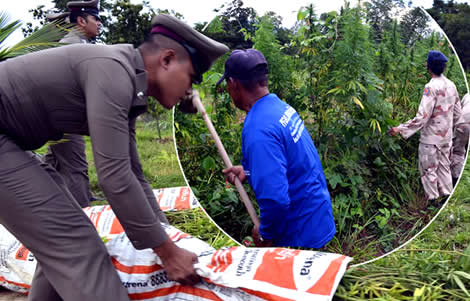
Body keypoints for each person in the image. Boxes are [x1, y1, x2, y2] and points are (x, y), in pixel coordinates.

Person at [0, 14, 228, 301]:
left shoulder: (128, 82)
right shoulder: (113, 71)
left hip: (11, 143)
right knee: (75, 243)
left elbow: (133, 173)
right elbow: (114, 177)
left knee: (64, 237)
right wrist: (167, 252)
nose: (190, 91)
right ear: (167, 59)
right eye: (191, 78)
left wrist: (169, 236)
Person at [220, 49, 336, 249]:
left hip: (299, 238)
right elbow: (290, 162)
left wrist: (266, 233)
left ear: (233, 84)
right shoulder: (281, 108)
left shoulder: (258, 129)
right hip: (317, 218)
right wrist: (249, 171)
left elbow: (275, 200)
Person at [44, 0, 103, 207]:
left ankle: (43, 198)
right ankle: (84, 211)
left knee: (52, 162)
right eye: (95, 19)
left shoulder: (80, 44)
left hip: (60, 114)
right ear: (81, 20)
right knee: (75, 165)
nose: (99, 23)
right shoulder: (72, 46)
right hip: (64, 114)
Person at [388, 50, 461, 200]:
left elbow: (422, 117)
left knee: (429, 171)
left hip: (431, 140)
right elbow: (458, 113)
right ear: (443, 67)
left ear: (428, 67)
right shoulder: (451, 85)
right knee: (444, 168)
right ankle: (447, 199)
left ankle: (433, 202)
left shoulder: (431, 87)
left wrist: (400, 129)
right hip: (446, 138)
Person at [451, 93, 470, 183]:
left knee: (458, 152)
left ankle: (455, 177)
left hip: (463, 124)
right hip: (465, 123)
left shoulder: (467, 95)